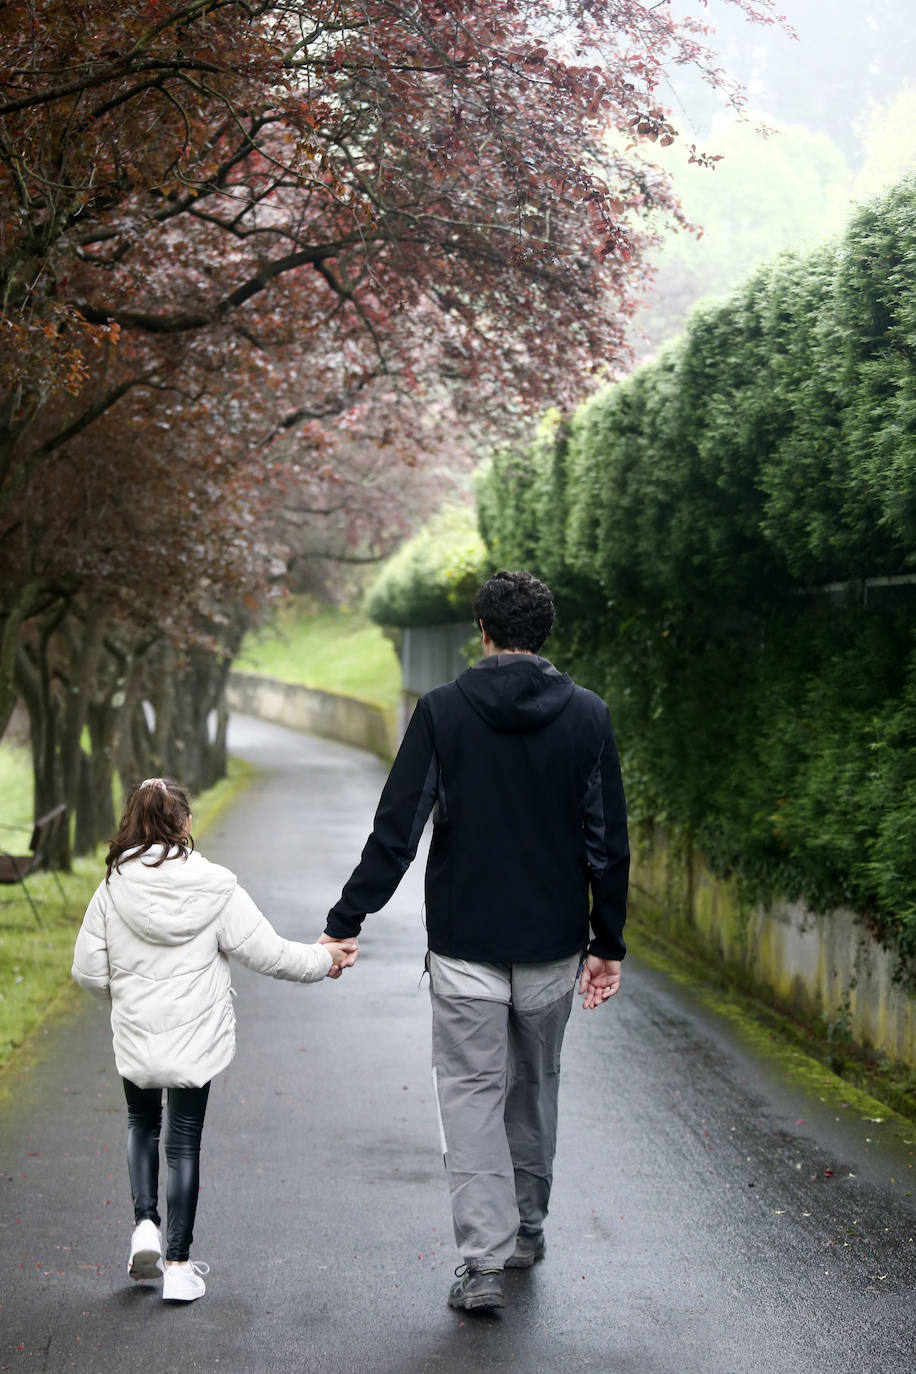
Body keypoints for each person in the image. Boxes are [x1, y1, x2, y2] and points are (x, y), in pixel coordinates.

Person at [321, 569, 628, 1312]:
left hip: (464, 947)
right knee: (534, 1084)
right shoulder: (588, 716)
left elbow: (397, 830)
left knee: (470, 1094)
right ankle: (526, 1229)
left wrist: (347, 919)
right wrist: (607, 942)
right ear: (544, 635)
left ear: (482, 632)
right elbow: (607, 843)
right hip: (554, 946)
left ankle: (484, 1263)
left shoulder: (442, 713)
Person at [72, 776, 349, 1304]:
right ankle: (178, 1265)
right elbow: (269, 953)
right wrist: (325, 959)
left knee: (140, 1123)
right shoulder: (216, 887)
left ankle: (145, 1226)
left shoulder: (110, 889)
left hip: (136, 1036)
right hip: (196, 1040)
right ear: (186, 824)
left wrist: (124, 998)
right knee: (183, 1140)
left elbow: (87, 972)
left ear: (130, 822)